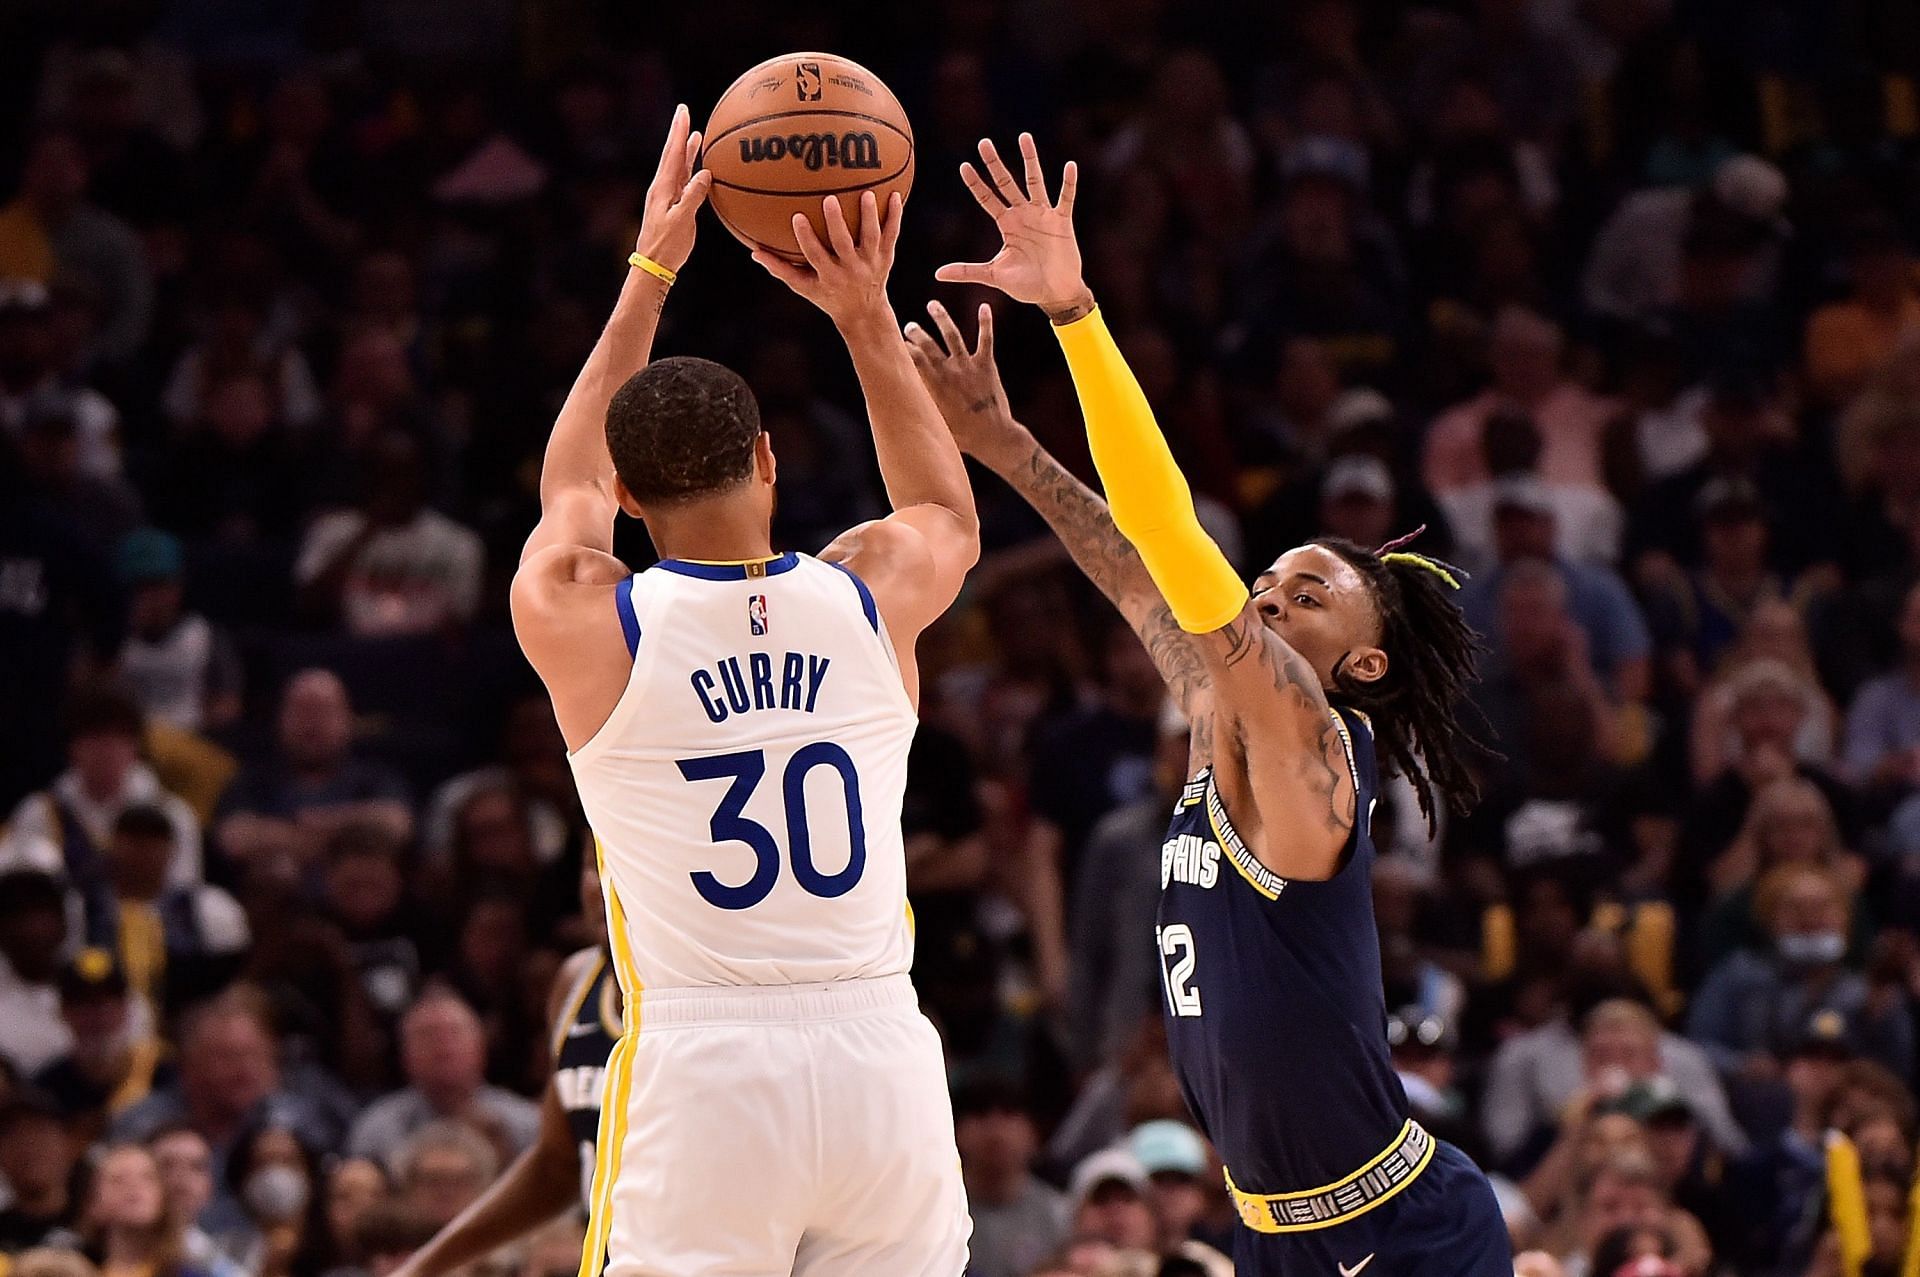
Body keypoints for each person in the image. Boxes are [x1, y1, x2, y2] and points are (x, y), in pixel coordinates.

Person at [918, 130, 1507, 1273]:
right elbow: (1135, 566)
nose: (1272, 592)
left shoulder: (1310, 737)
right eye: (1270, 576)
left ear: (1367, 662)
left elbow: (1170, 532)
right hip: (1271, 1228)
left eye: (1310, 589)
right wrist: (1004, 442)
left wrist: (1078, 318)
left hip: (1398, 1229)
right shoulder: (1214, 706)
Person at [508, 109, 978, 1274]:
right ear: (769, 458)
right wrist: (865, 311)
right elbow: (947, 515)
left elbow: (567, 479)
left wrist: (649, 273)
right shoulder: (869, 592)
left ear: (629, 488)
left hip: (709, 1071)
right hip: (882, 1058)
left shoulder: (590, 616)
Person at [390, 866, 621, 1277]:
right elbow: (557, 1165)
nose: (598, 881)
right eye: (590, 860)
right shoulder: (576, 981)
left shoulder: (709, 991)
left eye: (616, 854)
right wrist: (424, 1267)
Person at [344, 990, 538, 1166]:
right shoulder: (376, 1132)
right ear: (405, 1055)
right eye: (427, 1035)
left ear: (481, 1047)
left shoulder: (527, 1126)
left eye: (454, 1032)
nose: (443, 1044)